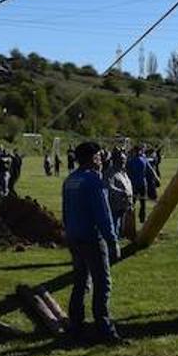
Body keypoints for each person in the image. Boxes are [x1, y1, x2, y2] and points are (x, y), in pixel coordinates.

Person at [61, 140, 123, 344]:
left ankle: (75, 324)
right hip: (91, 237)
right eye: (99, 156)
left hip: (73, 236)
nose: (101, 160)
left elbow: (65, 211)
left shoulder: (70, 180)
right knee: (102, 282)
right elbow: (103, 214)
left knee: (80, 282)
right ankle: (104, 328)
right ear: (93, 158)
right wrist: (113, 241)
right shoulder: (94, 181)